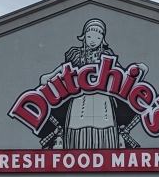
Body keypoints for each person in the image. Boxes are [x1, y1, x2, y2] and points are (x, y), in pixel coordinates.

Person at [37, 18, 148, 149]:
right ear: (84, 37)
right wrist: (51, 75)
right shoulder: (75, 54)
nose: (93, 40)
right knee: (77, 136)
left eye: (98, 37)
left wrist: (139, 73)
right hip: (79, 105)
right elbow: (64, 69)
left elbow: (122, 76)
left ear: (103, 39)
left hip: (104, 106)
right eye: (89, 36)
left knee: (105, 135)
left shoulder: (107, 55)